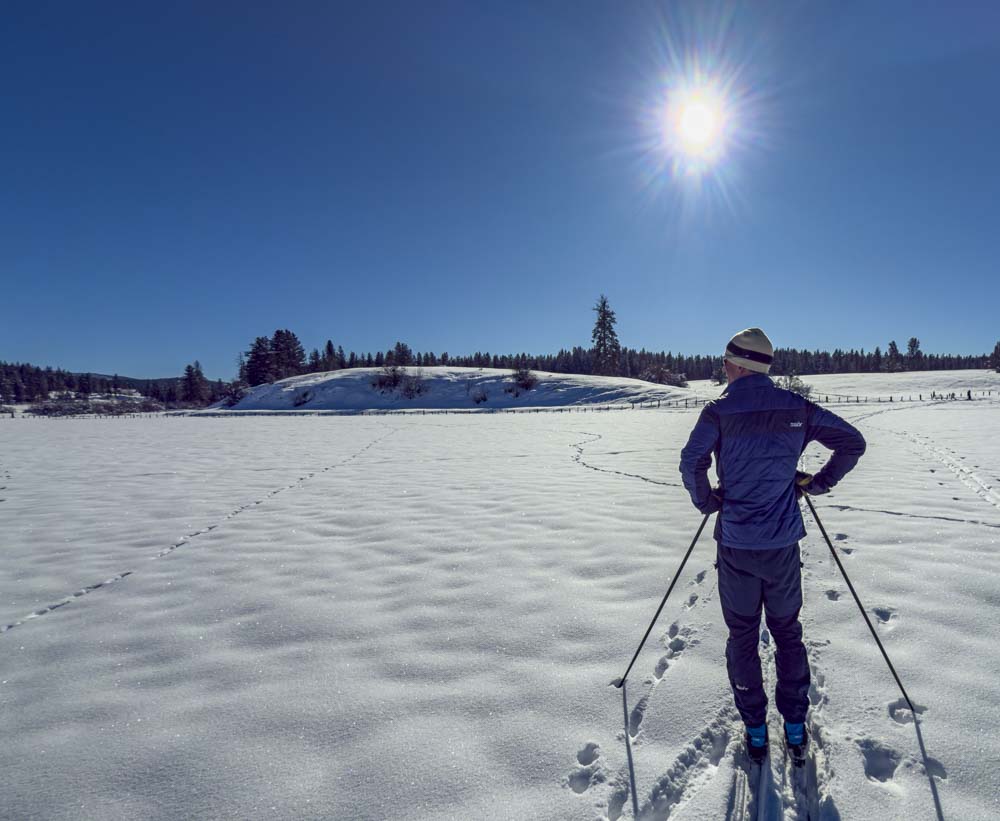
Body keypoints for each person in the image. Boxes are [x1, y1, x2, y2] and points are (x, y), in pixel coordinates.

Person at [679, 328, 866, 763]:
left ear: (738, 364)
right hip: (781, 546)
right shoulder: (796, 406)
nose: (723, 368)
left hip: (737, 546)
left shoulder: (718, 411)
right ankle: (795, 729)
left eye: (725, 361)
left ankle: (757, 732)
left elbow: (692, 461)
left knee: (743, 636)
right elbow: (852, 443)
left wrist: (707, 501)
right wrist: (816, 483)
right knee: (787, 632)